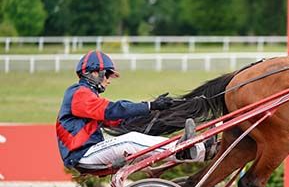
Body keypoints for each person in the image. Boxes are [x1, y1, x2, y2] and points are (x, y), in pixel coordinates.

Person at [56, 50, 207, 171]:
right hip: (82, 155)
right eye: (108, 74)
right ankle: (191, 150)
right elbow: (112, 110)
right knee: (131, 140)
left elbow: (117, 120)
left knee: (133, 136)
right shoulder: (78, 93)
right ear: (94, 72)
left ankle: (199, 147)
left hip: (88, 151)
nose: (109, 80)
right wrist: (150, 105)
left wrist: (154, 112)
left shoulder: (87, 97)